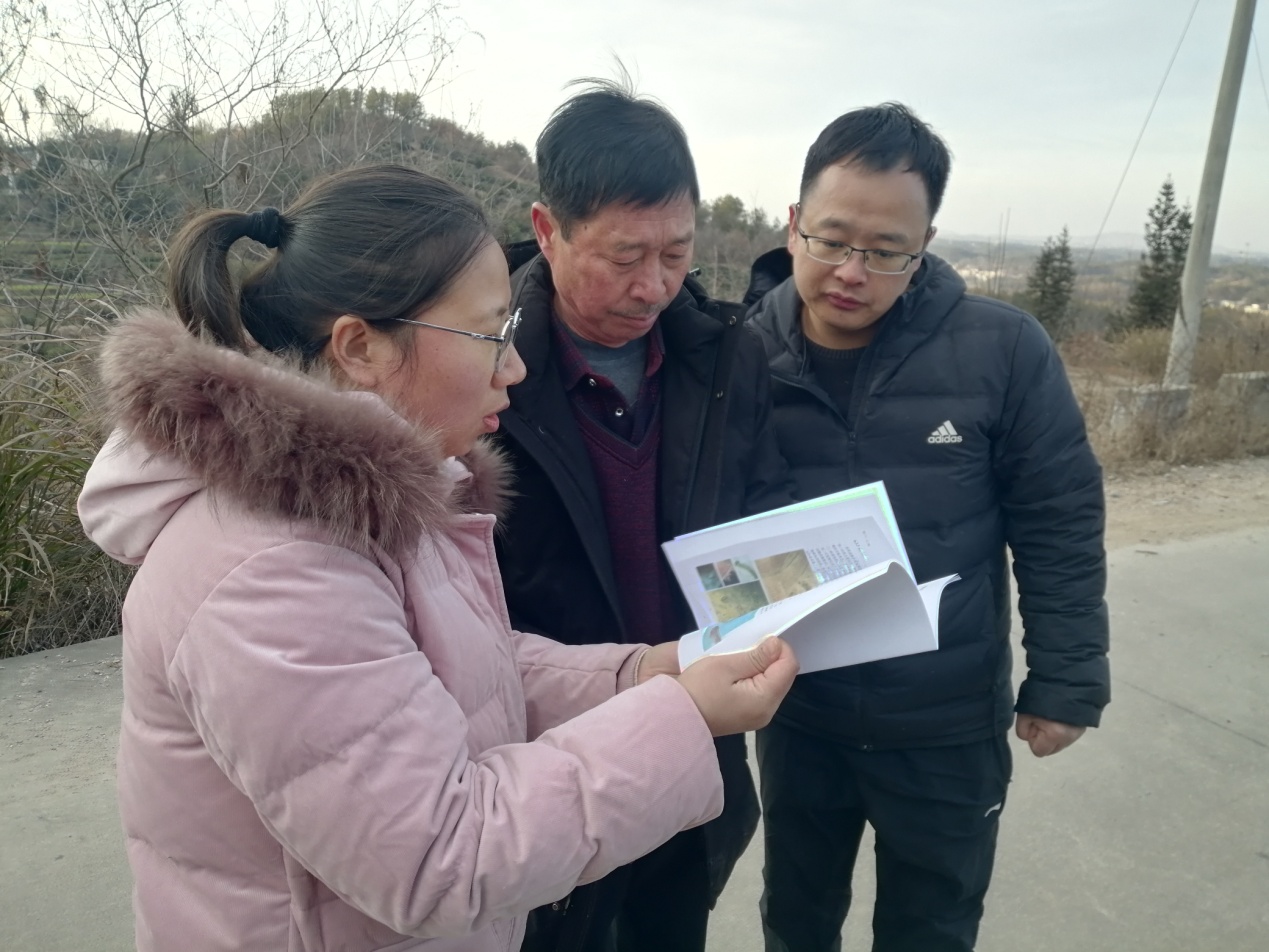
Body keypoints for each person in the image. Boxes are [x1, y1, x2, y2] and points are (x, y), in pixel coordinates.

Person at [76, 164, 799, 952]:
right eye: (491, 335)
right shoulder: (269, 569)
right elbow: (437, 860)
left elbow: (460, 670)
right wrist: (683, 716)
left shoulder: (350, 509)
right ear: (360, 347)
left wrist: (643, 674)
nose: (513, 367)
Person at [744, 104, 1110, 952]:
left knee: (932, 928)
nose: (851, 271)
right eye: (831, 240)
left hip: (945, 721)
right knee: (795, 918)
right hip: (799, 710)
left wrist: (1065, 679)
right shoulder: (736, 355)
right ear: (793, 224)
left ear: (926, 243)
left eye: (886, 251)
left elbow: (1057, 518)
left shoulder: (1001, 350)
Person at [490, 80, 792, 952]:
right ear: (548, 229)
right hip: (546, 762)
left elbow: (761, 510)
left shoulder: (726, 357)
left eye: (676, 252)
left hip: (691, 744)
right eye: (624, 256)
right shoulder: (483, 368)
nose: (654, 285)